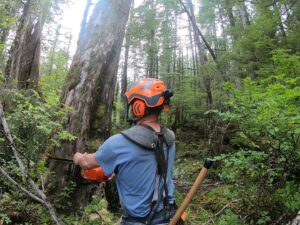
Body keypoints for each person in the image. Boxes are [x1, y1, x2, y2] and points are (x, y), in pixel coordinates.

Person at [73, 78, 179, 225]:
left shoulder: (120, 142)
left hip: (137, 221)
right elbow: (150, 166)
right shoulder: (169, 138)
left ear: (138, 107)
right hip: (167, 216)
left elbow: (86, 163)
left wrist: (77, 157)